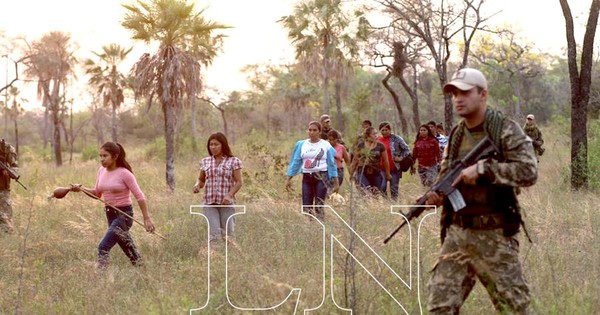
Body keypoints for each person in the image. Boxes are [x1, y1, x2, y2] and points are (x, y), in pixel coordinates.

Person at [424, 68, 537, 314]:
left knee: (514, 308)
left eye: (464, 92)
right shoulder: (456, 135)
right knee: (439, 307)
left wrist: (485, 169)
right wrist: (434, 195)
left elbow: (529, 171)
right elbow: (446, 176)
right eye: (454, 93)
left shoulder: (504, 129)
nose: (458, 98)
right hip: (458, 234)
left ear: (483, 94)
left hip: (494, 233)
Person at [71, 142, 155, 269]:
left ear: (115, 156)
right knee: (128, 247)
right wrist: (81, 189)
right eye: (100, 156)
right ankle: (142, 269)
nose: (102, 159)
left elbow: (140, 196)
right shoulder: (101, 171)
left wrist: (146, 218)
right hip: (110, 214)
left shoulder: (125, 173)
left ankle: (100, 277)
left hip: (124, 215)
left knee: (103, 246)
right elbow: (97, 194)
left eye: (105, 156)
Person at [193, 132, 243, 244]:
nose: (213, 147)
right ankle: (214, 258)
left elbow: (239, 182)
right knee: (214, 236)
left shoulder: (233, 161)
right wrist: (197, 186)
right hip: (209, 203)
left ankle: (232, 258)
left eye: (216, 144)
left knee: (228, 236)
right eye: (211, 145)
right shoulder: (205, 161)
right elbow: (201, 180)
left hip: (226, 203)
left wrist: (229, 195)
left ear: (223, 145)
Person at [286, 121, 339, 220]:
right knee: (306, 206)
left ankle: (320, 225)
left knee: (319, 204)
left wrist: (336, 182)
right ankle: (310, 226)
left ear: (319, 132)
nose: (312, 132)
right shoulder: (301, 144)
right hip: (307, 177)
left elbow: (331, 164)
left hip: (321, 176)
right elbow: (295, 162)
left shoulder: (325, 145)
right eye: (310, 130)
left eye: (314, 130)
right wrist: (289, 179)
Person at [351, 126, 391, 194]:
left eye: (376, 134)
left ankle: (374, 204)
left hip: (376, 172)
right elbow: (355, 160)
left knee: (375, 193)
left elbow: (385, 161)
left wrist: (387, 174)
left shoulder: (380, 146)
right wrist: (351, 173)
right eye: (374, 134)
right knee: (366, 190)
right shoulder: (361, 145)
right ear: (368, 136)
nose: (376, 136)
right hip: (362, 172)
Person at [376, 122, 410, 201]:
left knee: (394, 189)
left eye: (386, 130)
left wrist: (401, 157)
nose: (384, 132)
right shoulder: (378, 140)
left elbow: (406, 149)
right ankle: (386, 201)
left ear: (390, 130)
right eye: (382, 130)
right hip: (382, 168)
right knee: (382, 186)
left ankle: (393, 204)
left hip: (394, 168)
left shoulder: (396, 138)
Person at [0, 139, 18, 234]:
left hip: (2, 188)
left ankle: (8, 236)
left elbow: (14, 166)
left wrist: (9, 172)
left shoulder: (6, 148)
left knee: (5, 217)